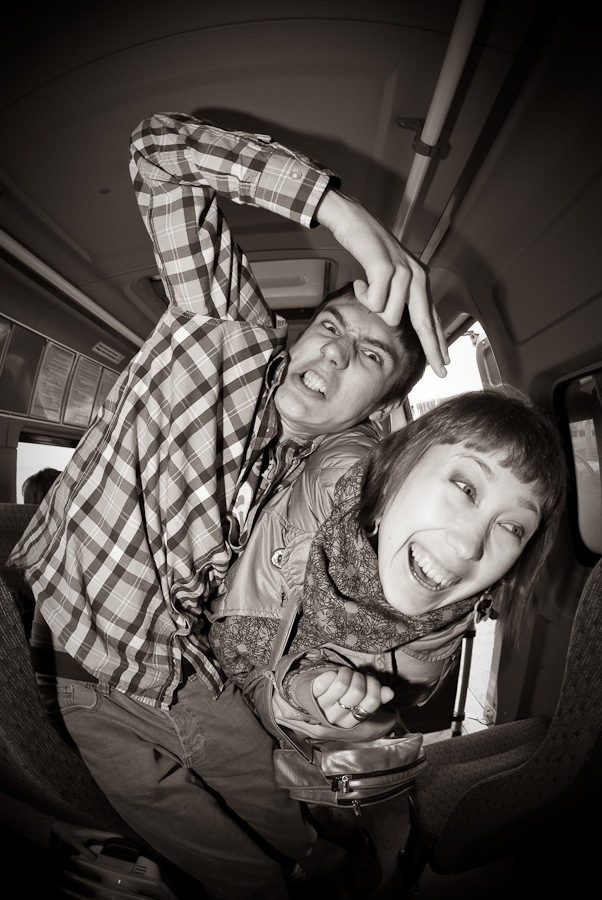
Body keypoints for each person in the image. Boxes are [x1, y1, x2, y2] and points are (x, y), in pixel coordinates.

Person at [8, 112, 445, 900]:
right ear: (302, 335)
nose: (336, 350)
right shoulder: (228, 338)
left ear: (377, 407)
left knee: (302, 830)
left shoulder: (310, 474)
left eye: (369, 356)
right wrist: (339, 213)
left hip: (185, 673)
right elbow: (159, 151)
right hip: (84, 673)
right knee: (248, 882)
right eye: (332, 327)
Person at [209, 388, 567, 746]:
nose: (469, 546)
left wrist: (367, 721)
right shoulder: (331, 483)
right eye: (465, 488)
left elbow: (359, 711)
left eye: (512, 528)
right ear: (398, 470)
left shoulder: (438, 639)